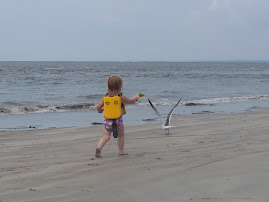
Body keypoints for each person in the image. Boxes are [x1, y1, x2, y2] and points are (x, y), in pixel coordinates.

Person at [95, 74, 139, 158]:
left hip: (107, 121)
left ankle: (99, 148)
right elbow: (130, 101)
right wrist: (136, 97)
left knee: (106, 137)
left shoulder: (105, 97)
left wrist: (100, 111)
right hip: (118, 121)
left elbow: (98, 107)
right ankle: (121, 151)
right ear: (120, 86)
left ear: (108, 86)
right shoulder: (121, 97)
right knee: (121, 136)